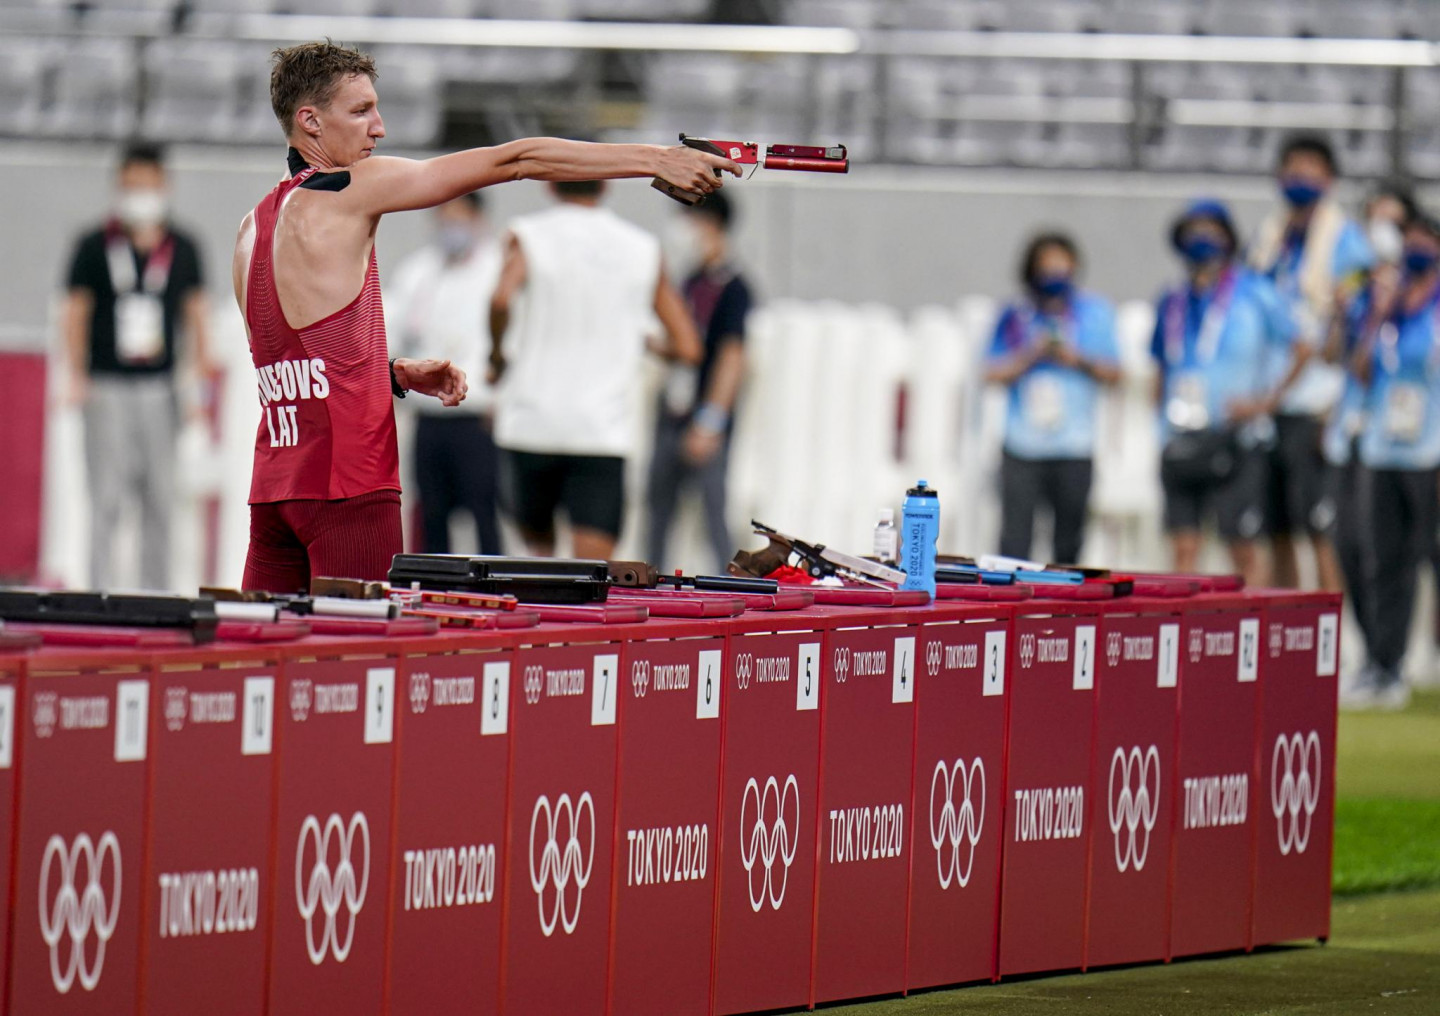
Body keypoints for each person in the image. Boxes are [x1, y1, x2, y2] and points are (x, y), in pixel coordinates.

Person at [233, 41, 736, 592]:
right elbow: (516, 160)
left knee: (263, 644)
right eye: (361, 111)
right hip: (348, 486)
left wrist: (394, 374)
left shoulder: (250, 228)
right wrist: (659, 159)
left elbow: (299, 361)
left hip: (274, 490)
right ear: (310, 121)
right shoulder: (351, 191)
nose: (379, 128)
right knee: (365, 646)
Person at [488, 180, 704, 561]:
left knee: (535, 561)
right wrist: (641, 340)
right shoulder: (641, 248)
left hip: (531, 422)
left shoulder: (528, 235)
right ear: (606, 186)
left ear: (550, 184)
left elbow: (501, 299)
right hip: (600, 429)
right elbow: (688, 346)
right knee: (593, 569)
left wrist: (497, 356)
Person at [64, 142, 216, 590]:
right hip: (107, 385)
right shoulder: (93, 245)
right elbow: (76, 312)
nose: (139, 196)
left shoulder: (184, 247)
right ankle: (99, 591)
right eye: (130, 187)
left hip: (161, 388)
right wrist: (77, 375)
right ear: (119, 187)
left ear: (164, 187)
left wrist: (200, 389)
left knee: (161, 499)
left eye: (146, 187)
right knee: (106, 498)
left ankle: (156, 594)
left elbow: (197, 318)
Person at [1153, 200, 1306, 588]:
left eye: (1211, 231)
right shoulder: (1172, 299)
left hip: (1237, 438)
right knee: (1184, 547)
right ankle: (1183, 624)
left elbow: (1302, 347)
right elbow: (1160, 365)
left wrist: (1265, 402)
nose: (1202, 239)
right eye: (1194, 231)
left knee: (1242, 549)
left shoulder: (1255, 292)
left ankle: (1250, 625)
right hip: (1183, 436)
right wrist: (1160, 426)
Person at [1248, 133, 1374, 590]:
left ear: (1329, 178)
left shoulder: (1348, 242)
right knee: (1278, 531)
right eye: (1292, 167)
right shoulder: (1269, 238)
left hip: (1318, 401)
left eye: (1310, 168)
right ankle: (1288, 627)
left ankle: (1330, 628)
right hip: (1269, 402)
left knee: (1320, 529)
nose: (1299, 176)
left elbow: (1359, 324)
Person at [1343, 214, 1440, 710]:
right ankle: (1383, 665)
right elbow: (1359, 372)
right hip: (1383, 447)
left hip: (1430, 449)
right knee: (1383, 559)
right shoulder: (1386, 307)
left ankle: (1420, 657)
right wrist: (1377, 316)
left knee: (1428, 555)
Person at [1323, 182, 1416, 696]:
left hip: (1407, 441)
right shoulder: (1361, 292)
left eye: (1395, 224)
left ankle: (1391, 661)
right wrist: (1351, 311)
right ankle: (1374, 656)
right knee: (1352, 546)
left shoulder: (1422, 297)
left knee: (1393, 552)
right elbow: (1346, 363)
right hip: (1355, 434)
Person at [983, 232, 1120, 565]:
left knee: (1069, 544)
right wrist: (1032, 354)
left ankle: (1063, 600)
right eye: (1046, 265)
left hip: (1073, 445)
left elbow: (1115, 373)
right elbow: (991, 372)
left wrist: (1076, 359)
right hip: (1023, 446)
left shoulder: (1093, 313)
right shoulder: (1015, 316)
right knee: (1015, 542)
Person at [385, 191, 503, 554]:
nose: (452, 228)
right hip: (429, 418)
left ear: (478, 220)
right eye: (445, 219)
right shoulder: (418, 273)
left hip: (479, 418)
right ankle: (433, 585)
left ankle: (493, 580)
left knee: (485, 513)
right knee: (431, 516)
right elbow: (394, 338)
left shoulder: (497, 271)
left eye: (460, 219)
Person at [646, 191, 752, 572]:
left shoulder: (734, 288)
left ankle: (730, 584)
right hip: (673, 411)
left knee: (712, 513)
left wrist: (710, 421)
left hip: (703, 419)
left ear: (710, 224)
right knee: (658, 511)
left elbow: (732, 356)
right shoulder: (691, 281)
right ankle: (650, 584)